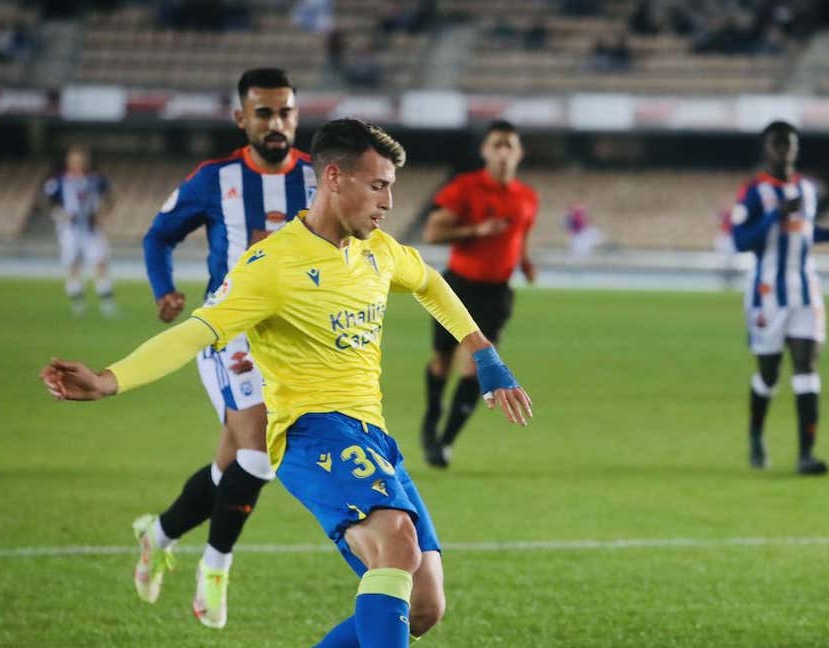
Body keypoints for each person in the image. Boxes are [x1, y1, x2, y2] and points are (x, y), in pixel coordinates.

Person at [40, 118, 532, 648]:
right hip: (309, 431)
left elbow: (430, 283)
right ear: (335, 178)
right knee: (397, 543)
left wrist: (483, 352)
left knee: (424, 607)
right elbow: (194, 334)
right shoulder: (271, 266)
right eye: (378, 185)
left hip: (371, 434)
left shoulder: (378, 251)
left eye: (391, 187)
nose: (389, 201)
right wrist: (111, 380)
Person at [133, 67, 316, 629]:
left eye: (285, 111)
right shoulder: (214, 179)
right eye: (263, 112)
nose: (276, 122)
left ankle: (157, 536)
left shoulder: (319, 179)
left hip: (290, 341)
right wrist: (164, 288)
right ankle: (215, 569)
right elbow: (158, 235)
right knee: (260, 454)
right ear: (242, 119)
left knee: (230, 468)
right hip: (227, 332)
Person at [730, 121, 829, 476]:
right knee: (768, 374)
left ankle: (806, 455)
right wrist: (773, 217)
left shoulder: (807, 190)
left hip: (805, 292)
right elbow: (740, 241)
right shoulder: (752, 193)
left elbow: (804, 234)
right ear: (766, 149)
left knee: (806, 368)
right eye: (778, 145)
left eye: (790, 144)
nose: (785, 151)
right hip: (767, 295)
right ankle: (755, 435)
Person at [420, 120, 538, 468]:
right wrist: (476, 230)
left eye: (509, 146)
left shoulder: (527, 197)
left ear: (519, 153)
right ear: (485, 151)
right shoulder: (464, 188)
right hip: (458, 287)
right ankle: (432, 416)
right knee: (442, 360)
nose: (503, 152)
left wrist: (526, 262)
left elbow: (521, 237)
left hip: (497, 292)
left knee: (477, 368)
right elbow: (431, 233)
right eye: (497, 145)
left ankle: (444, 442)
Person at [43, 145, 115, 317]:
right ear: (68, 162)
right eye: (73, 160)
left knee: (100, 262)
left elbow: (111, 197)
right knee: (73, 264)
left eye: (79, 160)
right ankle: (78, 304)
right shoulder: (59, 181)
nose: (76, 163)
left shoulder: (95, 180)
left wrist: (103, 213)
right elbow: (46, 201)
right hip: (70, 229)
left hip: (91, 228)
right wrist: (59, 214)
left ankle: (106, 303)